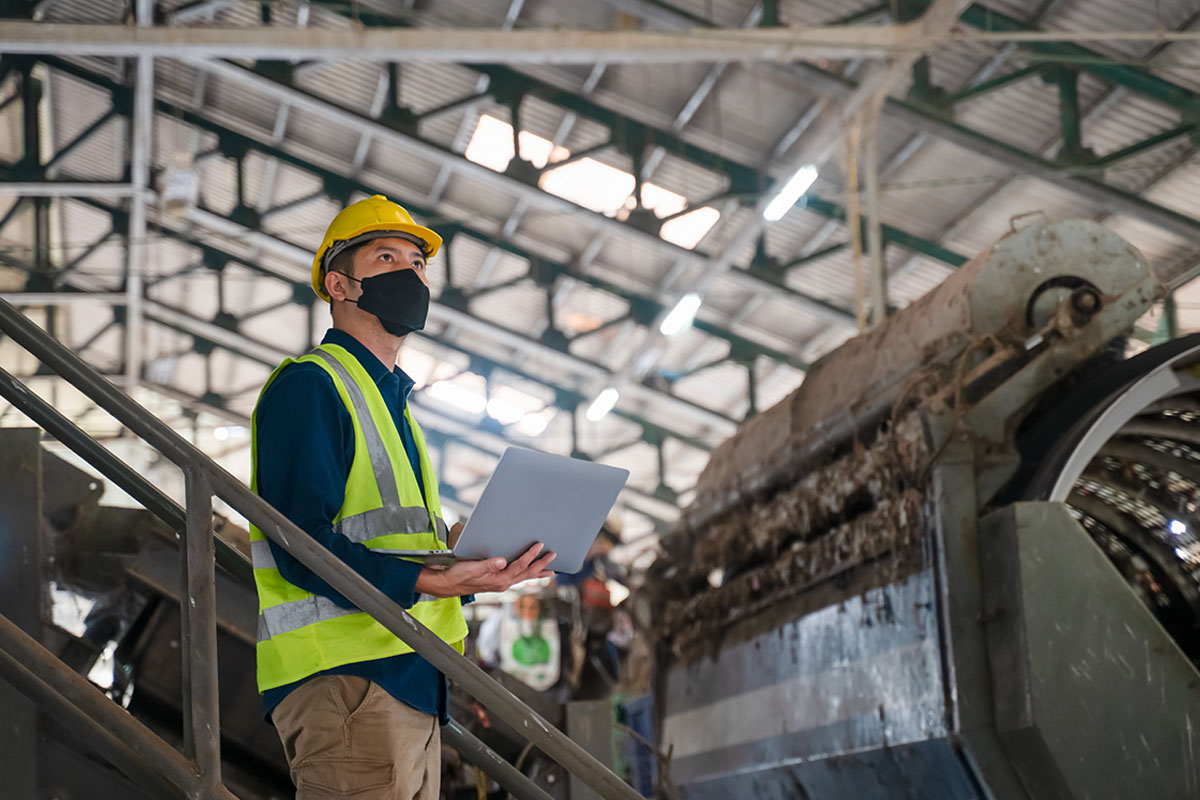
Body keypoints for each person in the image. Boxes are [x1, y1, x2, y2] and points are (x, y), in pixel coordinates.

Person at [249, 194, 556, 800]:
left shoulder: (393, 402)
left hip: (409, 676)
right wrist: (427, 581)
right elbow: (297, 542)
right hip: (351, 682)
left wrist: (458, 557)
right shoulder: (313, 385)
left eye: (418, 263)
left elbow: (388, 538)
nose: (411, 274)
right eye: (387, 257)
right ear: (340, 284)